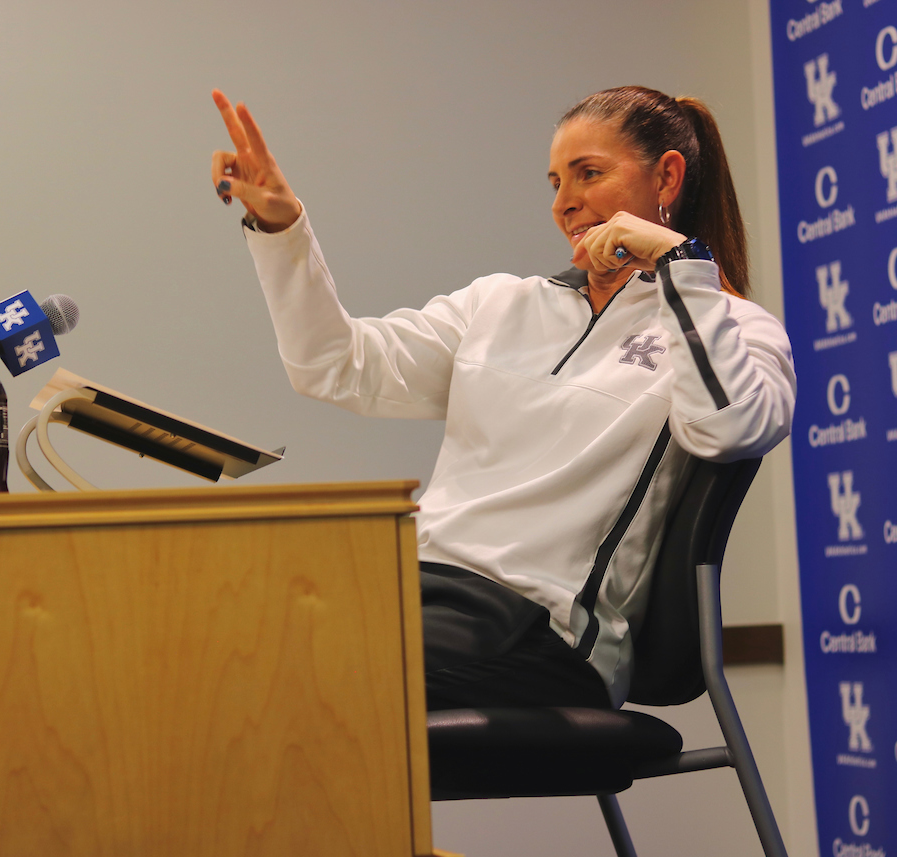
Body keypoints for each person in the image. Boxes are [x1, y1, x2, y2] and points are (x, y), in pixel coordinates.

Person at [211, 85, 795, 712]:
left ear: (668, 177)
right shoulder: (501, 303)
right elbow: (335, 366)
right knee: (226, 648)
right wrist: (280, 227)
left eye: (588, 175)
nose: (566, 204)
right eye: (554, 183)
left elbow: (728, 428)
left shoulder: (737, 329)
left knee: (300, 680)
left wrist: (681, 264)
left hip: (545, 636)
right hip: (417, 594)